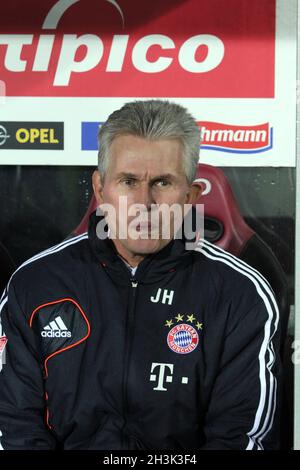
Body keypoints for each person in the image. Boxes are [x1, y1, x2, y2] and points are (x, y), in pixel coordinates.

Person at [0, 100, 280, 450]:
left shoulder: (240, 293)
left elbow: (240, 437)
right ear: (101, 191)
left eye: (163, 183)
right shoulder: (34, 285)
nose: (145, 202)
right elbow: (15, 430)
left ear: (190, 196)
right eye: (128, 181)